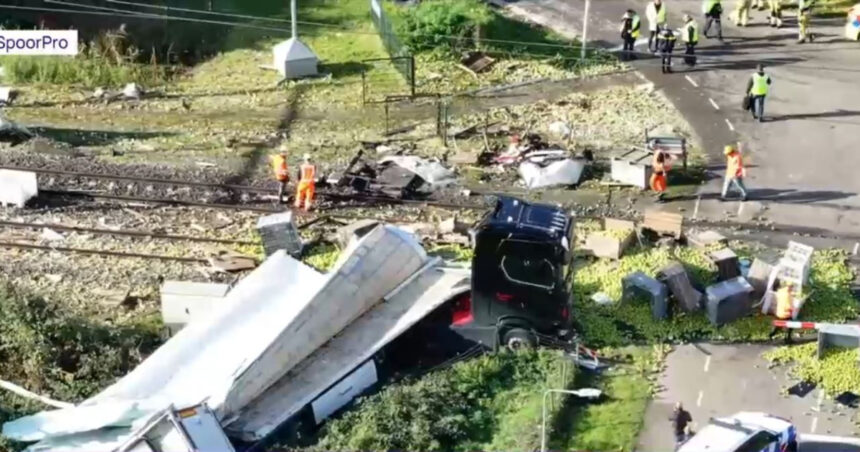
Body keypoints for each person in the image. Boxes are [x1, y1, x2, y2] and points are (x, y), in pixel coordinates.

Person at [768, 279, 795, 344]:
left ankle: (771, 335)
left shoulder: (781, 292)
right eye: (791, 287)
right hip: (785, 314)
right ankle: (787, 339)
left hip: (778, 313)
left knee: (778, 326)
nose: (792, 288)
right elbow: (788, 306)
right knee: (790, 326)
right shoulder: (788, 295)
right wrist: (793, 308)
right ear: (789, 287)